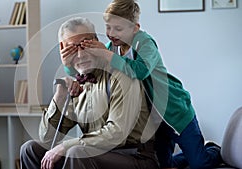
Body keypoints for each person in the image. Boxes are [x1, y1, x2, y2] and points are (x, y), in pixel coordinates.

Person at [62, 0, 223, 169]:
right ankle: (190, 156)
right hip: (153, 122)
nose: (111, 33)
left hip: (174, 113)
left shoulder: (144, 43)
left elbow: (140, 71)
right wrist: (68, 64)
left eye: (118, 28)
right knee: (164, 165)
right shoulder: (112, 48)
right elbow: (90, 72)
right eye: (108, 27)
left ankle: (211, 148)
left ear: (134, 28)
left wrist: (106, 54)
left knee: (200, 163)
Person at [20, 17, 159, 169]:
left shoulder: (122, 74)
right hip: (92, 154)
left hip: (133, 156)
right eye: (73, 48)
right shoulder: (77, 84)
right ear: (62, 50)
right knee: (30, 149)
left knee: (77, 152)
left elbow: (117, 134)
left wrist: (65, 146)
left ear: (96, 41)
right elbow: (47, 138)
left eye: (86, 45)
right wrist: (59, 97)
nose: (81, 55)